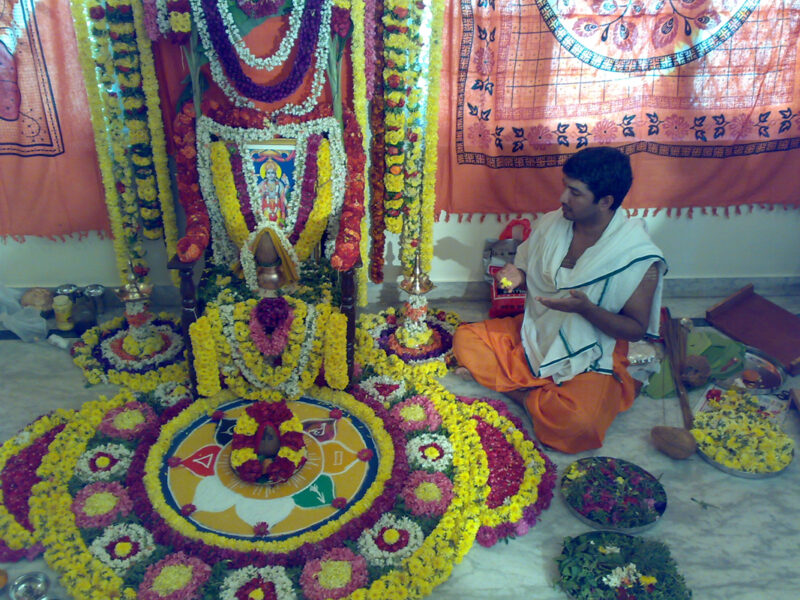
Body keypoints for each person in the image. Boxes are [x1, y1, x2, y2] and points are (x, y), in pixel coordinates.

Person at [453, 146, 667, 453]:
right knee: (465, 339)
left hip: (591, 349)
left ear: (605, 201)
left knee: (580, 426)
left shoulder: (636, 256)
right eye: (565, 187)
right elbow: (529, 265)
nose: (563, 198)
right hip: (541, 330)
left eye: (575, 193)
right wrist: (519, 274)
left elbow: (634, 329)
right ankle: (539, 396)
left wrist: (586, 309)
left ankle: (525, 395)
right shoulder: (552, 223)